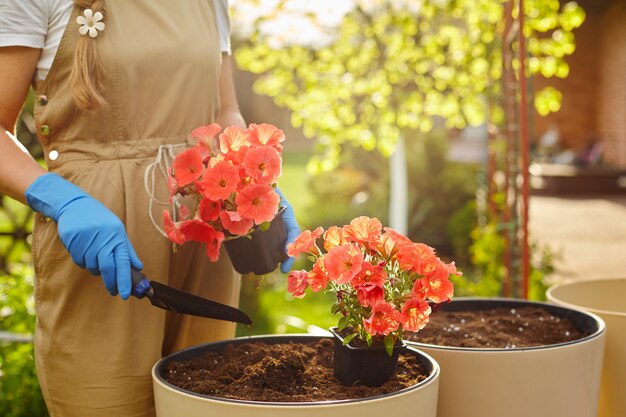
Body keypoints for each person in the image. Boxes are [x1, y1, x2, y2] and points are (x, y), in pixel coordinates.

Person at [0, 1, 300, 416]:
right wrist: (60, 200)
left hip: (206, 237)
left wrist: (255, 182)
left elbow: (223, 109)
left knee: (207, 404)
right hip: (102, 254)